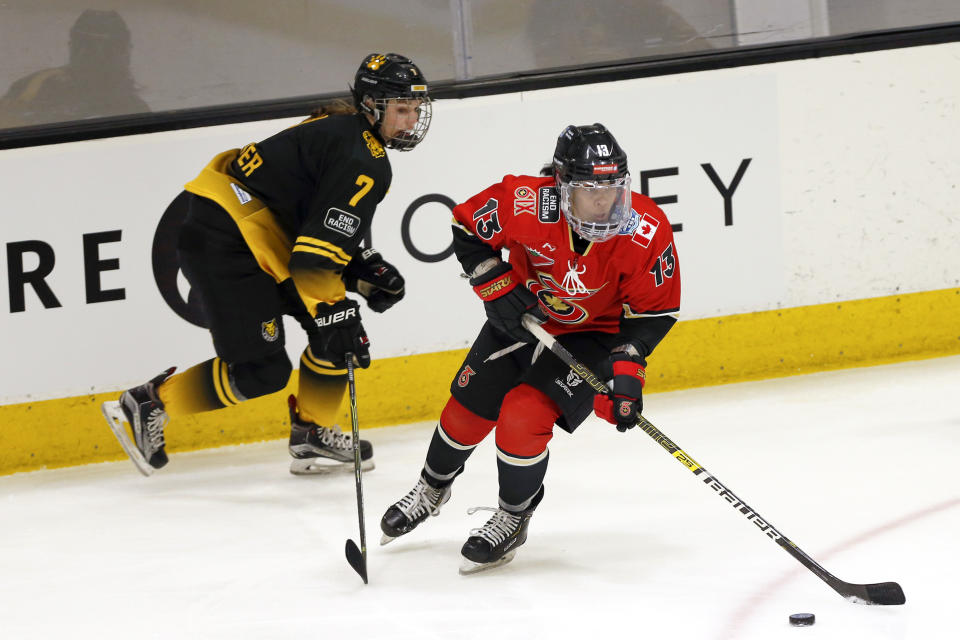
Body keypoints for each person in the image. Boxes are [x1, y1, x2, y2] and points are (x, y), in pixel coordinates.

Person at [101, 53, 432, 476]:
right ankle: (149, 401)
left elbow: (305, 221)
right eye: (401, 109)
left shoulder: (339, 130)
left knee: (327, 330)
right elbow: (314, 256)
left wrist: (357, 271)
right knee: (264, 369)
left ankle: (311, 433)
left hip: (246, 233)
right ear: (371, 104)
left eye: (417, 110)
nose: (410, 121)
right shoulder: (364, 159)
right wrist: (336, 308)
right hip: (227, 241)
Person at [379, 123, 681, 573]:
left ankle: (513, 516)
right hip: (522, 318)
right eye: (590, 191)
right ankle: (432, 487)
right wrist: (496, 286)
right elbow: (466, 226)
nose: (605, 202)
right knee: (466, 411)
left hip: (593, 334)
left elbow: (655, 313)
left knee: (522, 414)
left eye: (614, 189)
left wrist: (629, 368)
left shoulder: (646, 228)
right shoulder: (524, 201)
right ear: (561, 186)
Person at [0, 9, 148, 128]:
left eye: (109, 49)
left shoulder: (34, 85)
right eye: (91, 47)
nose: (99, 55)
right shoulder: (133, 109)